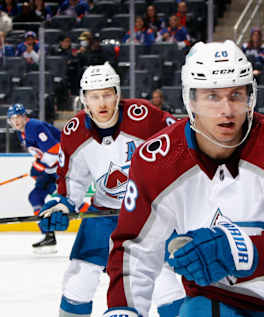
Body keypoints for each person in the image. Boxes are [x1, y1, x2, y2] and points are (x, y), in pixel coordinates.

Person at [104, 40, 264, 317]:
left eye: (236, 94)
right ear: (191, 100)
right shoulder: (156, 160)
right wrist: (123, 309)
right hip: (221, 299)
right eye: (212, 96)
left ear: (251, 96)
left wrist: (233, 250)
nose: (227, 110)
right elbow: (135, 247)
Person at [36, 62, 184, 317]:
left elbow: (180, 149)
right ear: (84, 100)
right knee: (78, 278)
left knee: (163, 278)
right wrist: (60, 205)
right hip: (103, 213)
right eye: (94, 97)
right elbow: (71, 183)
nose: (102, 102)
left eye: (107, 94)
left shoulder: (145, 116)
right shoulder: (74, 132)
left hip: (147, 212)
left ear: (117, 94)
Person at [7, 103, 60, 253]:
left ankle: (105, 226)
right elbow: (40, 154)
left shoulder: (35, 126)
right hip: (51, 169)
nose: (15, 121)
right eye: (12, 119)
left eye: (18, 117)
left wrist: (39, 166)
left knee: (72, 200)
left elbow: (55, 149)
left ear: (25, 116)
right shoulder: (21, 132)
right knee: (36, 197)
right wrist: (38, 167)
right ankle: (48, 236)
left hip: (63, 167)